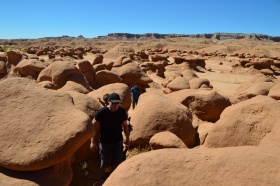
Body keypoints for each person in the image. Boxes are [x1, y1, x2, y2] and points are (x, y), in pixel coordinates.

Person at [90, 93, 130, 178]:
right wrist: (92, 141)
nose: (116, 106)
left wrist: (127, 138)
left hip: (118, 140)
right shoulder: (102, 112)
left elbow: (125, 125)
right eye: (113, 103)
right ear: (108, 101)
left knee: (118, 160)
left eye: (117, 103)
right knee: (105, 161)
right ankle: (108, 176)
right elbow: (93, 125)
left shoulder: (122, 112)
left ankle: (116, 177)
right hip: (105, 141)